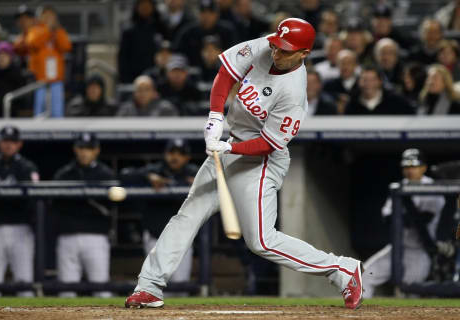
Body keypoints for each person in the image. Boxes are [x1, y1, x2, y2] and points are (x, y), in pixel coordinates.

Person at [125, 18, 363, 310]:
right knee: (189, 213)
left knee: (261, 241)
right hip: (231, 143)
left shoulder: (294, 94)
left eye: (286, 50)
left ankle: (341, 269)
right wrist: (215, 115)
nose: (276, 52)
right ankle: (149, 286)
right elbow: (227, 72)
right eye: (277, 45)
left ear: (304, 54)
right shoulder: (267, 45)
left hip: (260, 159)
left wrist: (230, 147)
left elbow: (269, 143)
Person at [363, 149, 446, 298]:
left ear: (423, 168)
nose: (409, 171)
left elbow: (422, 220)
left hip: (419, 250)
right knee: (364, 275)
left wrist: (402, 216)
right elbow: (388, 217)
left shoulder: (433, 187)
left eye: (413, 166)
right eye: (406, 167)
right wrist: (405, 217)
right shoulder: (399, 186)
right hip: (398, 248)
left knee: (409, 293)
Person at [120, 139, 198, 293]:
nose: (175, 157)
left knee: (180, 286)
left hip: (182, 238)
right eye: (172, 152)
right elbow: (125, 175)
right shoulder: (155, 169)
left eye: (181, 153)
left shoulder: (194, 173)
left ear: (187, 157)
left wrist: (198, 183)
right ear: (165, 154)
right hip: (156, 236)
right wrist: (148, 177)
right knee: (156, 284)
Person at [52, 132, 115, 297]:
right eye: (81, 148)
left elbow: (113, 205)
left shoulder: (106, 175)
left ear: (96, 150)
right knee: (66, 291)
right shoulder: (64, 174)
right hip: (68, 236)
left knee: (101, 289)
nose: (85, 152)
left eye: (89, 148)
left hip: (96, 236)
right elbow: (55, 205)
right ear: (75, 149)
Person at [0, 126, 39, 297]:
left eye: (12, 141)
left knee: (24, 283)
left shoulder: (28, 167)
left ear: (19, 144)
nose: (8, 145)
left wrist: (0, 198)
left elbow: (32, 201)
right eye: (5, 141)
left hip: (21, 229)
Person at [16, 5, 72, 117]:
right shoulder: (35, 30)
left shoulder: (59, 32)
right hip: (39, 81)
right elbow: (32, 42)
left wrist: (56, 31)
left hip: (56, 80)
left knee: (57, 113)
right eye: (45, 15)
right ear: (39, 17)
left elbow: (66, 46)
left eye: (51, 16)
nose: (48, 18)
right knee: (40, 113)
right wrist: (47, 29)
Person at [173, 0, 237, 68]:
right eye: (203, 12)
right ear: (198, 13)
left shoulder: (227, 31)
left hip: (222, 71)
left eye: (210, 12)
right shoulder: (188, 32)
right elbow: (177, 55)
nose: (207, 16)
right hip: (192, 73)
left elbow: (236, 54)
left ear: (217, 14)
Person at [118, 0, 165, 83]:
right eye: (142, 5)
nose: (145, 8)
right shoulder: (129, 31)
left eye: (148, 5)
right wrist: (126, 80)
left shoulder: (160, 28)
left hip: (155, 77)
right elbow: (123, 58)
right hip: (134, 77)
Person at [345, 66, 414, 115]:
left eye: (372, 80)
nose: (368, 84)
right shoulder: (352, 104)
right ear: (359, 82)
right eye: (364, 80)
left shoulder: (396, 102)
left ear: (380, 82)